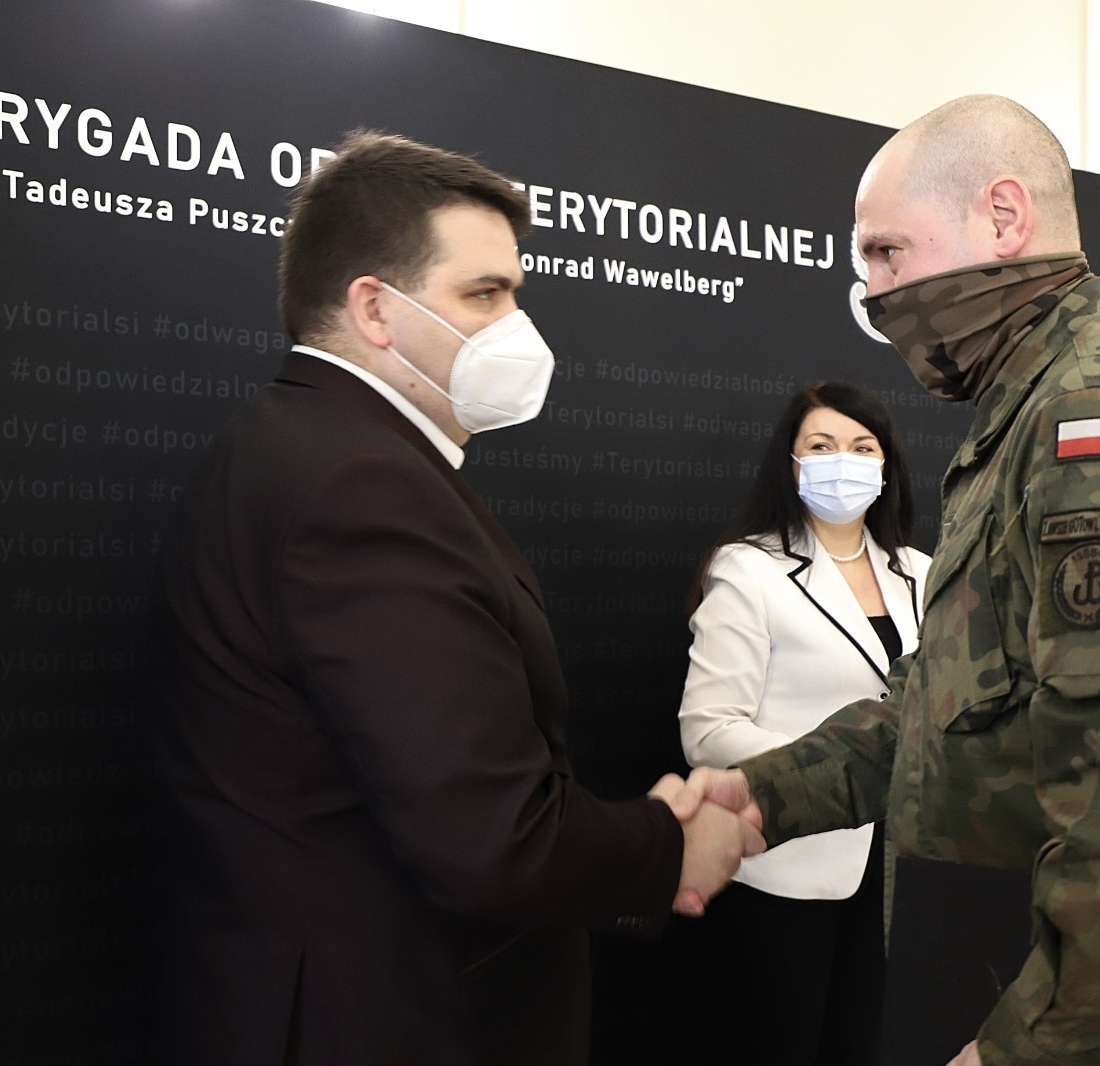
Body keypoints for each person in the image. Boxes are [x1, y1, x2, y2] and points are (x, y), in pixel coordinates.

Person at [693, 96, 1100, 1066]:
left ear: (1003, 217)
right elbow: (948, 711)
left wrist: (1024, 1045)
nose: (873, 294)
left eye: (887, 254)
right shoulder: (1034, 416)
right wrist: (761, 797)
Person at [153, 130, 762, 1066]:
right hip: (390, 1019)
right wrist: (672, 846)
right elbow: (491, 840)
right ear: (375, 309)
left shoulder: (304, 446)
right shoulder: (360, 486)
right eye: (484, 294)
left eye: (515, 291)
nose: (517, 324)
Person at [678, 382, 931, 1065]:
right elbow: (708, 730)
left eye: (861, 447)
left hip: (901, 869)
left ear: (886, 466)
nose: (842, 460)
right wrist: (843, 769)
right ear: (791, 465)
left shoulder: (924, 574)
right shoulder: (749, 568)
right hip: (786, 863)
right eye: (821, 446)